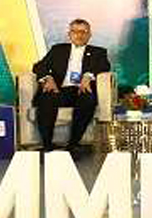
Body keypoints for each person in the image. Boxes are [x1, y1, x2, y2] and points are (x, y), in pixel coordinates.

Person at [32, 18, 111, 154]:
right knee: (46, 98)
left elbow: (105, 66)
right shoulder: (58, 49)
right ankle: (47, 145)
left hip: (82, 90)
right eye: (75, 31)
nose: (79, 35)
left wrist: (88, 75)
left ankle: (73, 144)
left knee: (88, 100)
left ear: (89, 35)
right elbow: (39, 66)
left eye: (83, 32)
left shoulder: (99, 52)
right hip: (59, 90)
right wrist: (48, 78)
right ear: (69, 34)